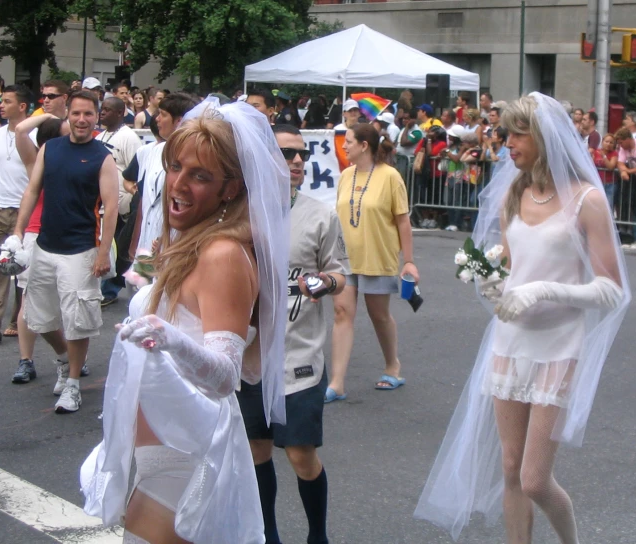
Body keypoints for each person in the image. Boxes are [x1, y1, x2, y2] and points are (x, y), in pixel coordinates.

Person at [416, 92, 629, 544]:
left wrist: (542, 290)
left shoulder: (585, 200)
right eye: (504, 132)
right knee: (510, 468)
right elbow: (513, 266)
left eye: (516, 133)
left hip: (557, 347)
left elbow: (612, 290)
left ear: (546, 138)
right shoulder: (514, 193)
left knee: (534, 479)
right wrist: (493, 283)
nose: (505, 142)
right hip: (509, 344)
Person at [80, 98, 290, 544]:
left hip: (190, 459)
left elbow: (225, 375)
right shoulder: (194, 243)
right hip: (161, 456)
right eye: (175, 167)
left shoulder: (223, 254)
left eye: (200, 176)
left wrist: (171, 339)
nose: (178, 183)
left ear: (230, 189)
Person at [239, 124, 349, 544]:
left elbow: (340, 275)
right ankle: (268, 535)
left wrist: (325, 282)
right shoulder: (242, 215)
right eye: (287, 154)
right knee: (256, 452)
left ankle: (317, 536)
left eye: (301, 153)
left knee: (302, 456)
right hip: (252, 356)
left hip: (300, 356)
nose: (298, 161)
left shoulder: (320, 216)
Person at [13, 90, 118, 413]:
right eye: (76, 114)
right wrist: (18, 231)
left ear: (97, 116)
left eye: (88, 114)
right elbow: (33, 190)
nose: (82, 120)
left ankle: (72, 384)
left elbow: (111, 207)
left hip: (81, 250)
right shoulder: (50, 149)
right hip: (44, 246)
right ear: (68, 116)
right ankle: (63, 359)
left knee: (77, 322)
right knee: (39, 319)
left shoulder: (103, 156)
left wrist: (102, 254)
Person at [326, 123, 419, 402]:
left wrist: (409, 261)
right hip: (344, 258)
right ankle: (337, 382)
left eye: (349, 141)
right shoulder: (345, 176)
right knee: (342, 313)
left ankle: (393, 365)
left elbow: (403, 220)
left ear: (364, 146)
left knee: (378, 314)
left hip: (378, 255)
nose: (344, 146)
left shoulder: (390, 176)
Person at [9, 115, 72, 385]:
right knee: (29, 300)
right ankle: (26, 360)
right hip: (37, 233)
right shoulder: (38, 161)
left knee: (68, 302)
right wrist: (48, 115)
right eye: (66, 130)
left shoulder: (82, 159)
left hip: (71, 235)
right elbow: (21, 130)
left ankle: (71, 357)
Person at [0, 84, 33, 343]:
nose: (0, 105)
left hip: (26, 210)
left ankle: (18, 319)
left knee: (22, 269)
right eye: (1, 101)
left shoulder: (34, 135)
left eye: (7, 101)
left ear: (22, 106)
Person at [135, 93, 200, 257]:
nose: (157, 119)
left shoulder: (195, 159)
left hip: (172, 247)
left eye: (163, 115)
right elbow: (145, 199)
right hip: (145, 246)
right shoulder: (154, 151)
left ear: (179, 121)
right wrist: (135, 242)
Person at [95, 97, 143, 305]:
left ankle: (110, 289)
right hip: (101, 201)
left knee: (118, 247)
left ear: (120, 113)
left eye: (107, 110)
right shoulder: (101, 136)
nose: (102, 113)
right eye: (102, 109)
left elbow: (135, 170)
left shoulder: (129, 138)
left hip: (121, 202)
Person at [593, 133, 619, 209]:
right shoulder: (596, 152)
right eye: (606, 141)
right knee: (597, 204)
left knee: (608, 205)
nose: (608, 144)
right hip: (598, 182)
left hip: (610, 184)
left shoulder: (614, 153)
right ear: (602, 142)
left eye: (611, 142)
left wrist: (604, 157)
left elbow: (611, 166)